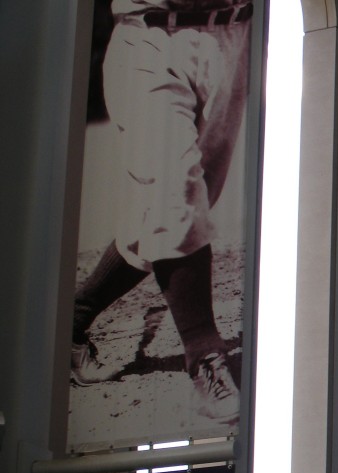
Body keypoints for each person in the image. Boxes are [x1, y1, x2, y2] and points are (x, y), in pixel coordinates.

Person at [71, 0, 252, 425]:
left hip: (235, 39)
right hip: (149, 38)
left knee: (175, 211)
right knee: (176, 195)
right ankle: (204, 355)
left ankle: (74, 319)